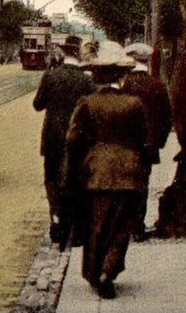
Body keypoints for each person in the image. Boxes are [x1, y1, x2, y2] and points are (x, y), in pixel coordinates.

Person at [63, 42, 149, 299]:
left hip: (96, 173)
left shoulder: (87, 103)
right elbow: (145, 139)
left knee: (96, 225)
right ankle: (108, 271)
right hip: (128, 172)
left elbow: (72, 139)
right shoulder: (134, 104)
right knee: (121, 225)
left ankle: (94, 270)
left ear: (98, 76)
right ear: (121, 76)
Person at [32, 35, 97, 244]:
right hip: (77, 140)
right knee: (76, 183)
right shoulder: (86, 80)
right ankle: (76, 230)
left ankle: (57, 223)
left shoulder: (50, 77)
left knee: (52, 182)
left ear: (62, 52)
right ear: (78, 53)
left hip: (52, 140)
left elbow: (38, 104)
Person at [120, 41, 172, 240]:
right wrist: (158, 141)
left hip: (126, 144)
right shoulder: (156, 85)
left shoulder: (126, 85)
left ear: (132, 61)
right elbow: (167, 117)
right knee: (142, 185)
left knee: (125, 184)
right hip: (148, 146)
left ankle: (125, 225)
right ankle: (137, 226)